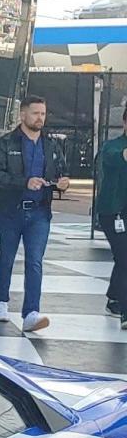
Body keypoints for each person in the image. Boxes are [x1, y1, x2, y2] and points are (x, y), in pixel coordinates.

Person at [0, 95, 70, 333]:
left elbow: (61, 171)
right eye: (35, 113)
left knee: (35, 261)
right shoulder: (5, 143)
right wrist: (24, 182)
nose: (40, 118)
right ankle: (1, 301)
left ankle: (31, 312)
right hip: (11, 211)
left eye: (43, 113)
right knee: (7, 257)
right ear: (23, 115)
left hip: (40, 212)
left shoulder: (51, 145)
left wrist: (62, 183)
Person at [96, 105, 127, 328]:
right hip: (113, 212)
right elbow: (113, 157)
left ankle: (114, 297)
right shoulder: (112, 147)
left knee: (123, 257)